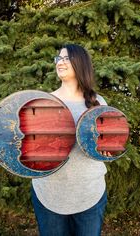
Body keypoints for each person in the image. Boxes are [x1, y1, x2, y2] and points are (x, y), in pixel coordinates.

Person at [31, 44, 108, 236]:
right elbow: (33, 146)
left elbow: (105, 143)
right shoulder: (43, 102)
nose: (60, 62)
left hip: (89, 192)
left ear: (80, 63)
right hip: (49, 192)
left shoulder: (98, 103)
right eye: (59, 58)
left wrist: (106, 150)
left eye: (66, 58)